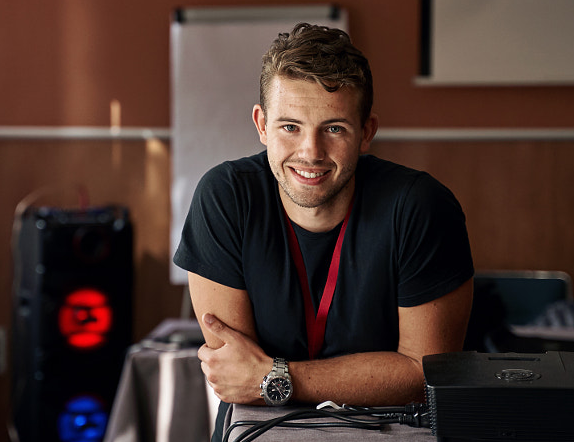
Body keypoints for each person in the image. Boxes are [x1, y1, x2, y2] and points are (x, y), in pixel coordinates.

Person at [173, 23, 473, 411]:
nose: (311, 152)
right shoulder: (225, 198)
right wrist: (373, 376)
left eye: (334, 128)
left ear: (367, 132)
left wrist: (277, 377)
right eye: (290, 127)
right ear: (262, 125)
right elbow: (235, 375)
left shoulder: (422, 208)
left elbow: (426, 376)